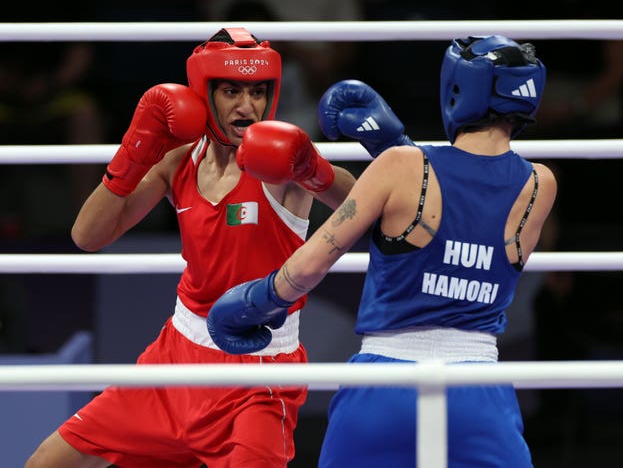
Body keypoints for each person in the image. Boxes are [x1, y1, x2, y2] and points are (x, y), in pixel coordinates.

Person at [25, 27, 410, 467]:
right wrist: (133, 150)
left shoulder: (279, 166)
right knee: (46, 463)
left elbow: (361, 205)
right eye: (231, 91)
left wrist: (313, 167)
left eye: (258, 92)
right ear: (204, 94)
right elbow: (87, 236)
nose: (248, 107)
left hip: (258, 370)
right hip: (174, 358)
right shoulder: (177, 160)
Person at [207, 35, 558, 467]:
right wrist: (398, 149)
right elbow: (465, 206)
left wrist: (255, 301)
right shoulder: (540, 185)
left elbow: (311, 263)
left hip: (384, 384)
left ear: (459, 88)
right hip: (479, 395)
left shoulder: (401, 167)